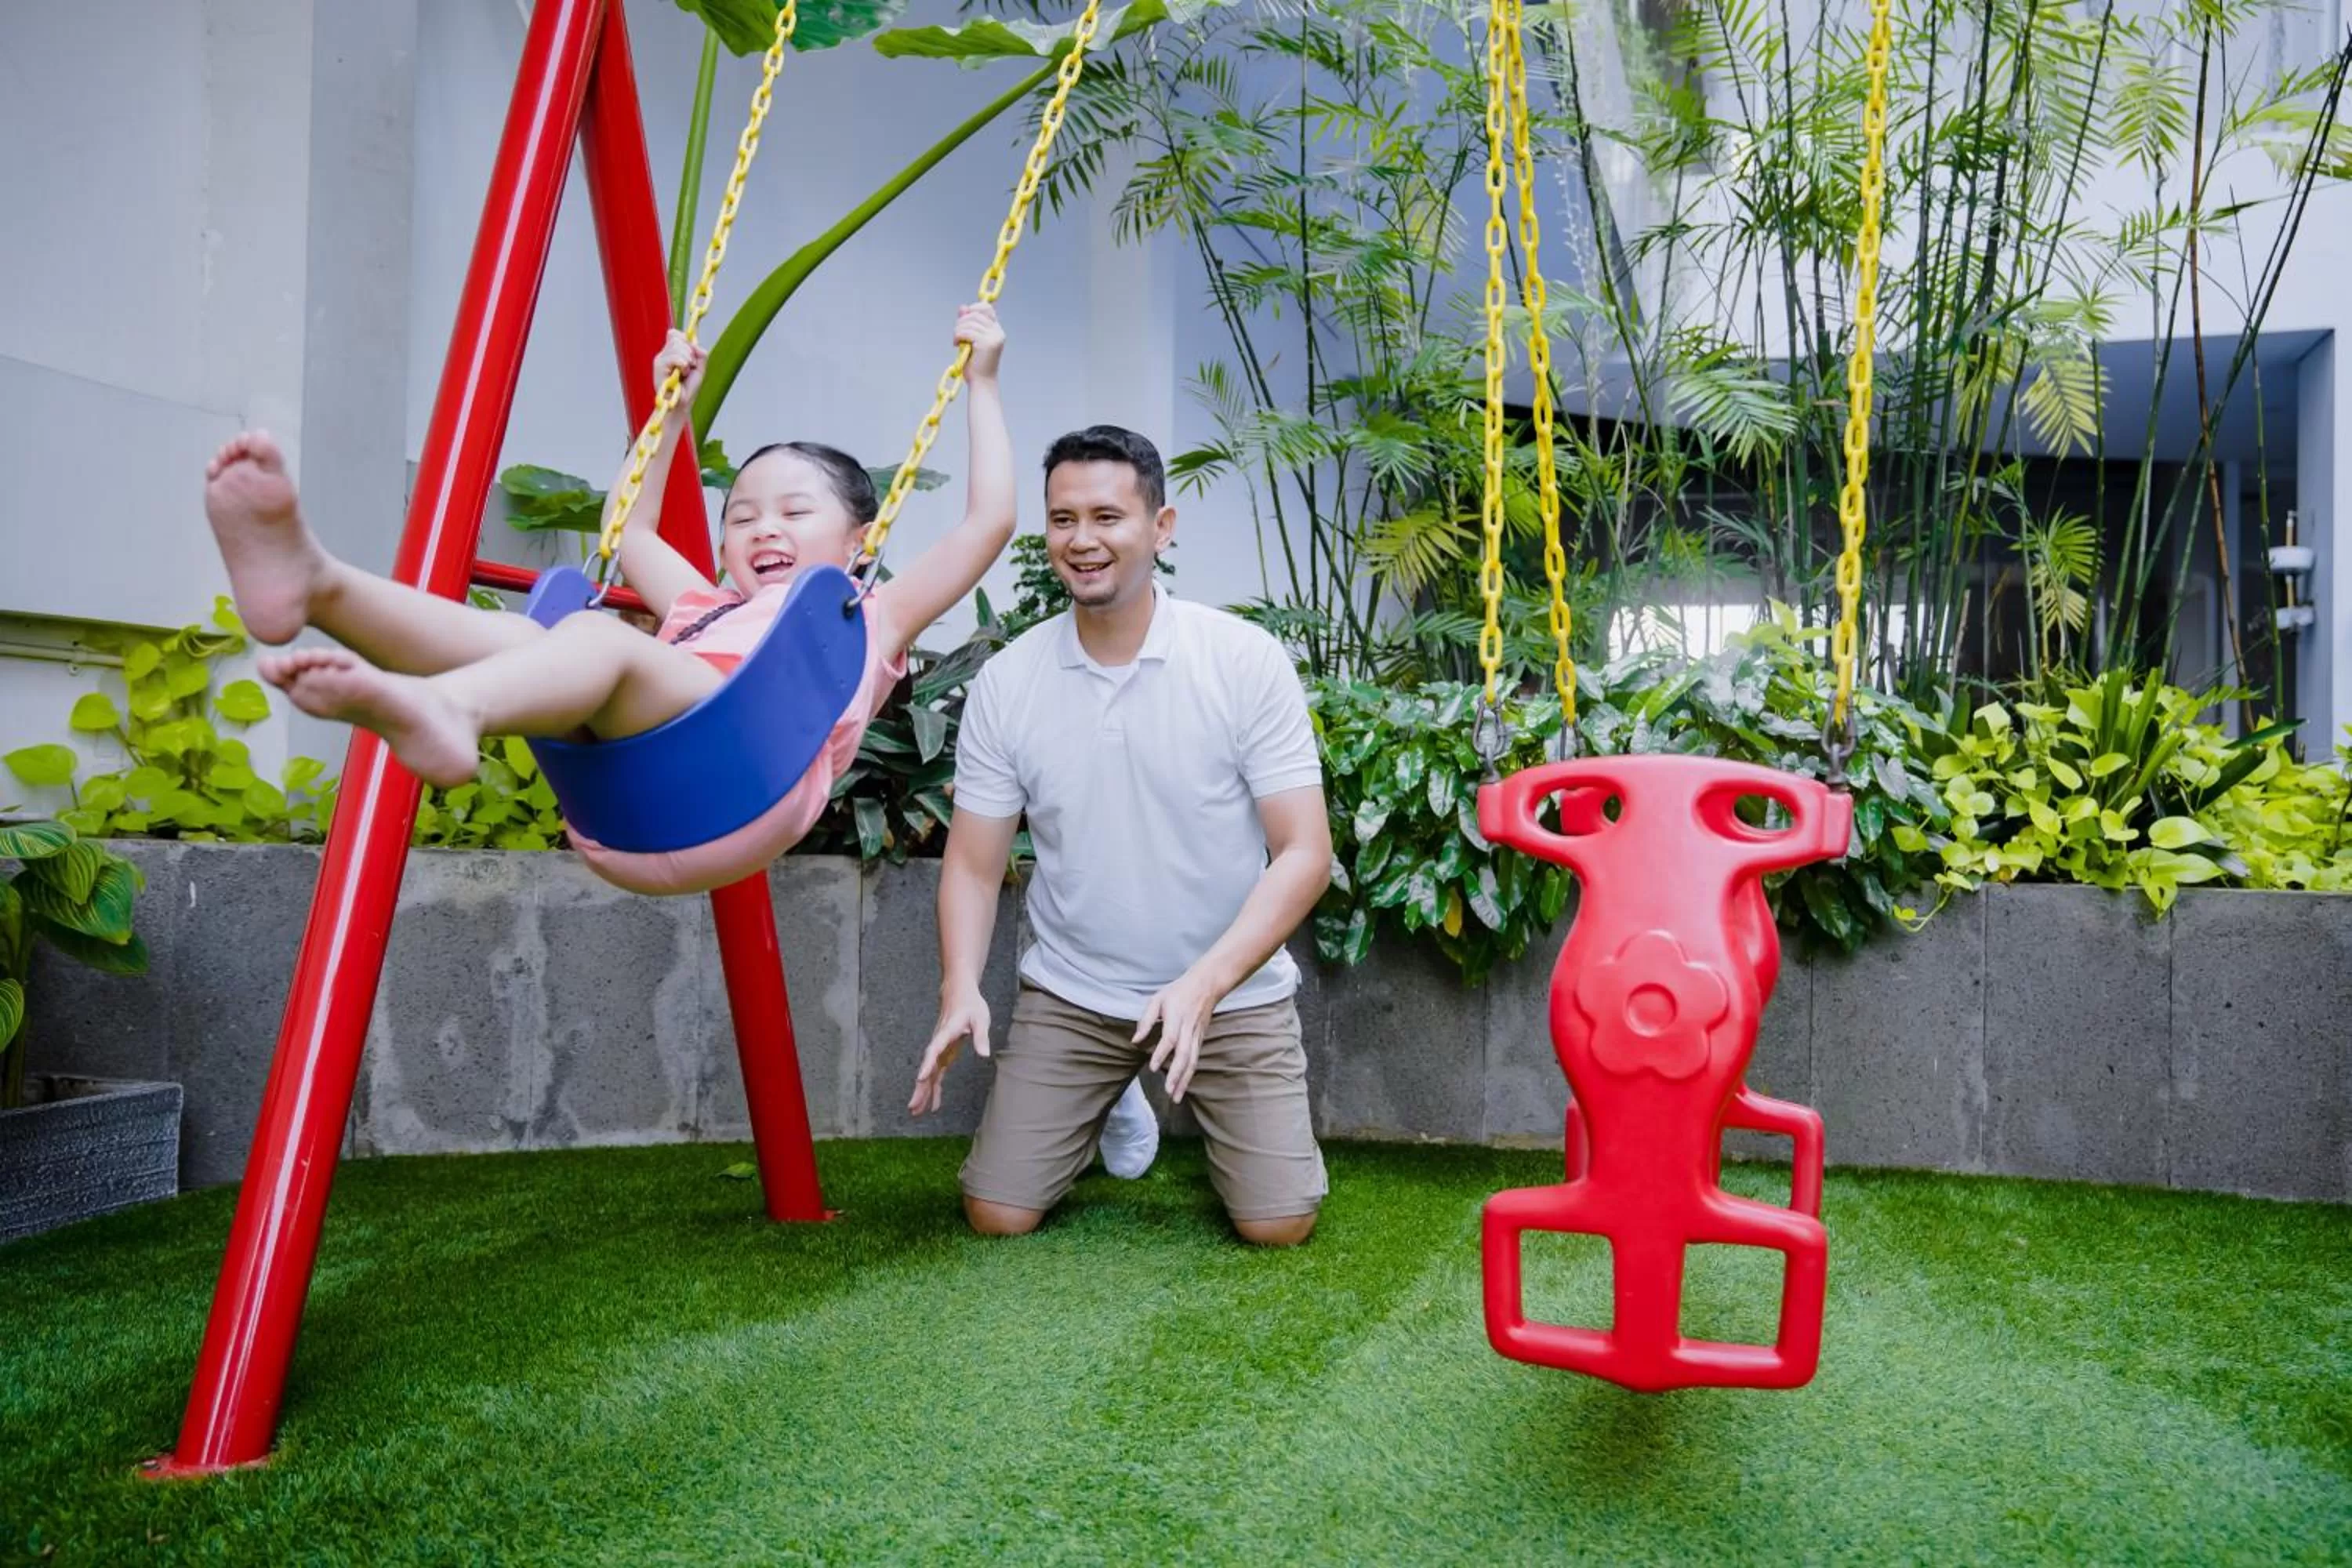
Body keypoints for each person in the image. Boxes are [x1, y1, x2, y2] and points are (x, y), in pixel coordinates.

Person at [200, 306, 1016, 895]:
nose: (763, 528)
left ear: (858, 545)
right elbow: (629, 533)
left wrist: (981, 384)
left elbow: (989, 524)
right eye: (742, 515)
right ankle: (319, 585)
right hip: (626, 795)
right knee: (533, 644)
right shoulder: (701, 606)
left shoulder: (867, 616)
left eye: (795, 513)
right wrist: (671, 413)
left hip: (737, 785)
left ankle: (448, 707)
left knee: (603, 641)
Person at [909, 426, 1332, 1245]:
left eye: (1108, 515)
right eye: (1063, 519)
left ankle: (1138, 1084)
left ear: (1161, 527)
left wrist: (1204, 983)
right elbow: (971, 862)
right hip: (1077, 989)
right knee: (996, 1214)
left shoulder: (1243, 660)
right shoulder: (1010, 680)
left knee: (1279, 1224)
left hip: (1228, 993)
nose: (1083, 539)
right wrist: (959, 985)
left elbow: (1305, 852)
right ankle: (1113, 1090)